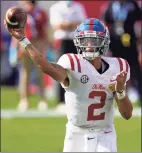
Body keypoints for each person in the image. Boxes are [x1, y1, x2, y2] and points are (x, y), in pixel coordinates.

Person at [5, 17, 133, 152]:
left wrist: (120, 91)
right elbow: (48, 67)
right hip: (76, 133)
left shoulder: (118, 67)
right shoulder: (72, 63)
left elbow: (127, 114)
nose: (89, 45)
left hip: (105, 133)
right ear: (78, 41)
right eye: (85, 40)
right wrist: (24, 40)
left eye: (94, 41)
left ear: (104, 42)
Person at [8, 0, 49, 112]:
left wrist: (45, 46)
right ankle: (24, 100)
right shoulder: (20, 13)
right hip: (25, 42)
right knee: (25, 72)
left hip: (37, 43)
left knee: (40, 72)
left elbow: (45, 31)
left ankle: (43, 99)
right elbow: (16, 31)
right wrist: (14, 48)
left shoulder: (40, 13)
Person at [101, 0, 142, 106]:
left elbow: (138, 20)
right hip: (115, 41)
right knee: (115, 69)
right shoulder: (110, 5)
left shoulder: (132, 4)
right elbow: (106, 21)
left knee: (135, 69)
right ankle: (116, 96)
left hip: (130, 41)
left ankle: (139, 94)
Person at [49, 0, 87, 111]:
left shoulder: (78, 6)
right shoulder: (56, 7)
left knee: (77, 69)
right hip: (62, 41)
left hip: (75, 40)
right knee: (61, 69)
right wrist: (71, 24)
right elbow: (57, 25)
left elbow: (82, 23)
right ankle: (61, 101)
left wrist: (67, 24)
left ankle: (78, 98)